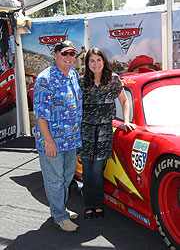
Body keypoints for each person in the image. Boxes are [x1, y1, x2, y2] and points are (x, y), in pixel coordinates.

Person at [78, 47, 135, 220]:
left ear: (104, 61)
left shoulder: (113, 79)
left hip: (104, 131)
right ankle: (89, 205)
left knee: (97, 170)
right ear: (87, 64)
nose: (96, 64)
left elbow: (125, 101)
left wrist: (126, 120)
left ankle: (98, 203)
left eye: (99, 60)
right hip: (85, 130)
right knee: (87, 170)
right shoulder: (81, 81)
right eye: (92, 61)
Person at [33, 40, 82, 232]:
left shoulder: (73, 75)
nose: (69, 57)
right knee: (54, 179)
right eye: (65, 54)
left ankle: (61, 208)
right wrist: (48, 142)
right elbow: (40, 115)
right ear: (55, 55)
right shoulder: (45, 79)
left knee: (66, 177)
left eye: (72, 54)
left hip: (71, 140)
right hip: (53, 142)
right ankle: (59, 216)